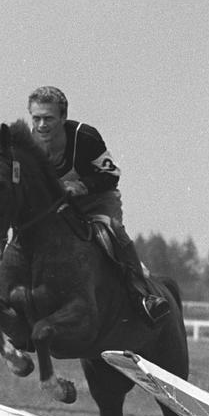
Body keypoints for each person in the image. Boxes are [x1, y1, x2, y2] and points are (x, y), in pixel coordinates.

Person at [27, 86, 170, 324]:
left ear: (63, 117)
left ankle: (143, 295)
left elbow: (112, 175)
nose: (42, 125)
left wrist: (80, 186)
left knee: (112, 231)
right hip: (58, 207)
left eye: (49, 118)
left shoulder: (85, 137)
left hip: (97, 200)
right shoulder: (27, 145)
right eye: (36, 118)